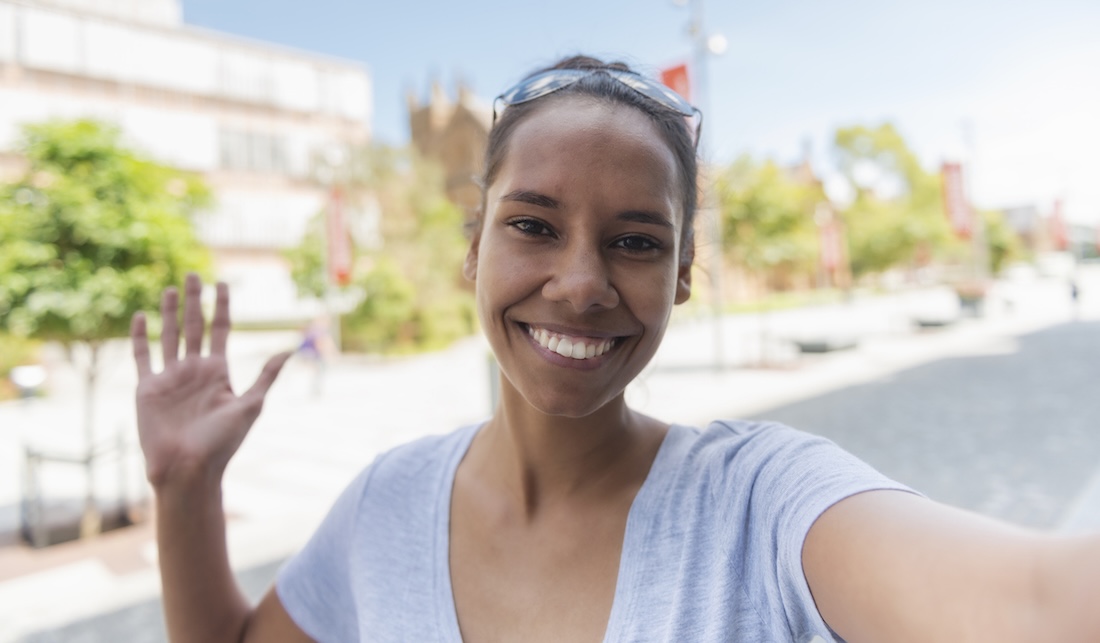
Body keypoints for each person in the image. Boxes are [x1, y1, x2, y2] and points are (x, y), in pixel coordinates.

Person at [130, 55, 1099, 643]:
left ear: (680, 275)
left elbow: (1039, 604)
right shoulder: (386, 505)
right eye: (533, 225)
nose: (581, 282)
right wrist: (184, 489)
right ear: (474, 248)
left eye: (636, 241)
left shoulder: (758, 501)